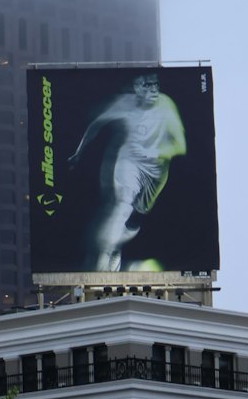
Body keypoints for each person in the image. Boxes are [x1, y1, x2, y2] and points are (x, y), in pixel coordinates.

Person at [67, 73, 186, 271]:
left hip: (156, 173)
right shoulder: (125, 104)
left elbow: (180, 146)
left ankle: (115, 245)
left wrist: (153, 152)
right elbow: (96, 124)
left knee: (136, 216)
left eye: (156, 84)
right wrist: (78, 153)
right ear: (137, 88)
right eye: (148, 85)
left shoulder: (166, 106)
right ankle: (105, 257)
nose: (154, 90)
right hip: (128, 162)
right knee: (123, 202)